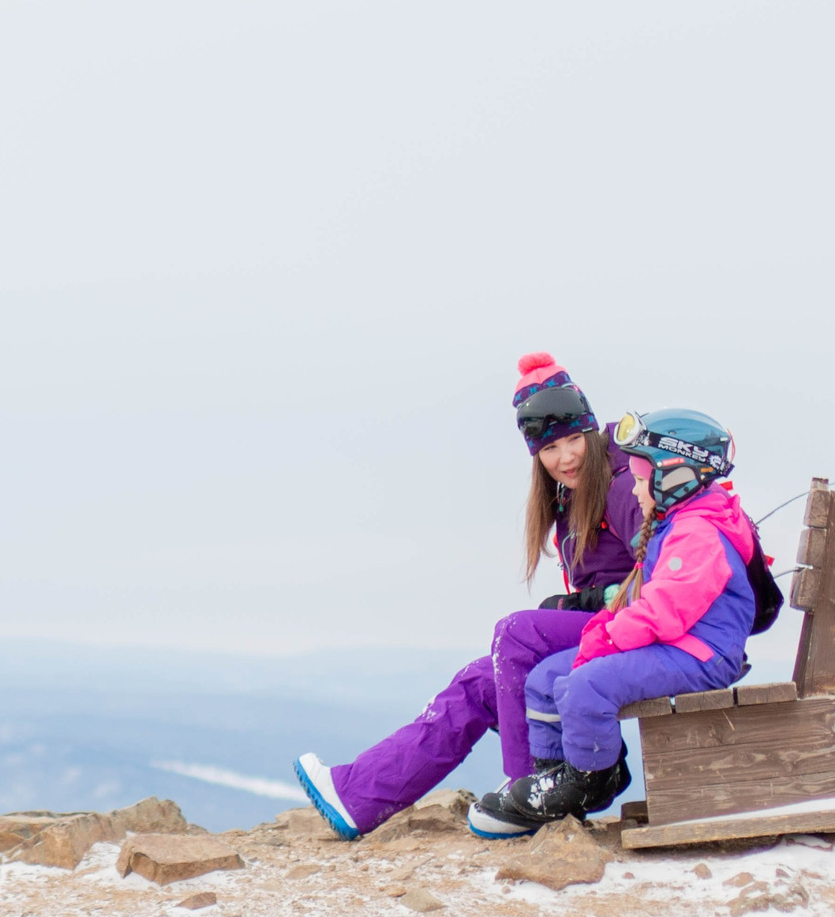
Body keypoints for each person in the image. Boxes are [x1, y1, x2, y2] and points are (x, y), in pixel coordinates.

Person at [293, 353, 642, 840]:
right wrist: (581, 604)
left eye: (573, 439)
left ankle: (527, 793)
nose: (566, 457)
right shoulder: (569, 498)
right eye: (549, 449)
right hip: (608, 635)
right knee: (481, 680)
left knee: (516, 634)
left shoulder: (624, 486)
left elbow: (656, 579)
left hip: (643, 635)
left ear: (590, 432)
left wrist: (578, 605)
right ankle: (357, 796)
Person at [469, 408, 759, 838]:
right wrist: (601, 631)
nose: (635, 490)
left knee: (587, 684)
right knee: (546, 677)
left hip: (701, 653)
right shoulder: (676, 526)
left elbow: (663, 610)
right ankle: (554, 777)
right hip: (680, 645)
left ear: (674, 478)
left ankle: (590, 779)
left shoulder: (696, 532)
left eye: (642, 480)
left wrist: (605, 636)